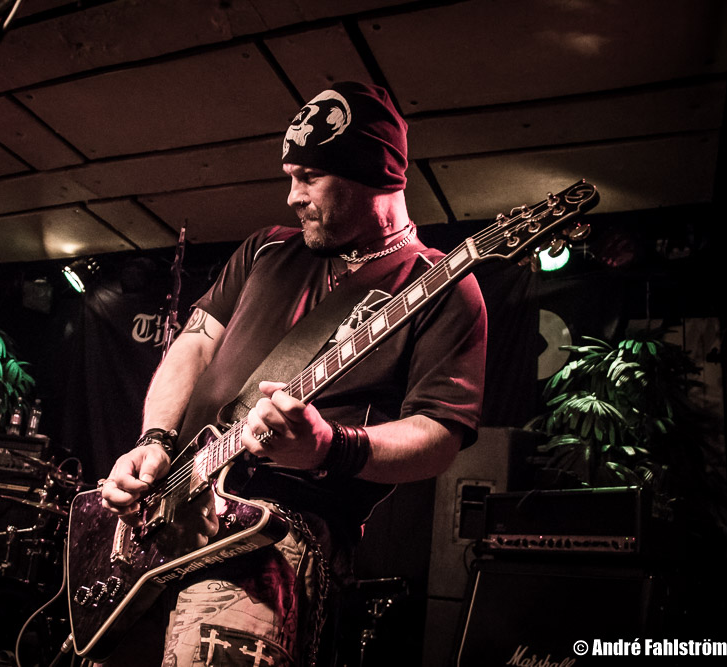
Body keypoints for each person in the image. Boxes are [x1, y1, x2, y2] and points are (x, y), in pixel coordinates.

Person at [99, 81, 486, 666]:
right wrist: (154, 439)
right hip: (170, 514)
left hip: (272, 535)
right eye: (290, 176)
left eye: (309, 177)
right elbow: (194, 345)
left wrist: (331, 447)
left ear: (376, 174)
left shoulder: (443, 286)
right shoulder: (266, 250)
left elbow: (439, 434)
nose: (292, 197)